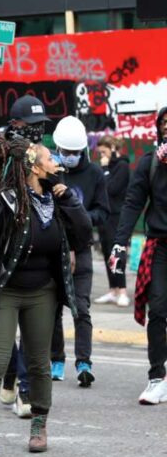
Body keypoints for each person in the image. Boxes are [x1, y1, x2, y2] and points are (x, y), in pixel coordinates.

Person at [0, 137, 92, 457]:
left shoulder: (59, 200)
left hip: (42, 293)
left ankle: (38, 425)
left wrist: (70, 200)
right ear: (34, 166)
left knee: (38, 363)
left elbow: (84, 236)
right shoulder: (7, 203)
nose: (57, 163)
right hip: (5, 291)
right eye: (50, 159)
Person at [0, 96, 49, 417]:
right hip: (0, 246)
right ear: (16, 125)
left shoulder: (41, 155)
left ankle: (22, 386)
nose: (37, 132)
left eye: (41, 127)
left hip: (33, 247)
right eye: (32, 126)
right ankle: (12, 377)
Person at [110, 107, 167, 404]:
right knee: (158, 309)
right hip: (160, 246)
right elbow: (133, 202)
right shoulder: (150, 163)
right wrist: (120, 243)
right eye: (165, 124)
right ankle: (157, 377)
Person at [50, 116, 109, 387]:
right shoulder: (50, 169)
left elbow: (103, 212)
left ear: (83, 150)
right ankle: (56, 359)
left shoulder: (95, 174)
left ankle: (84, 362)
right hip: (53, 248)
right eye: (66, 152)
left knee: (81, 309)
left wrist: (79, 214)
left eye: (75, 153)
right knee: (52, 308)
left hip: (82, 249)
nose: (70, 157)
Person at [94, 135, 131, 307]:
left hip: (117, 216)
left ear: (113, 149)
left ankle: (122, 291)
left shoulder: (122, 166)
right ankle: (113, 290)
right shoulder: (105, 166)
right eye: (100, 152)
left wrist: (105, 169)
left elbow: (112, 189)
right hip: (105, 216)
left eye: (104, 152)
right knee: (108, 252)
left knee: (117, 253)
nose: (102, 156)